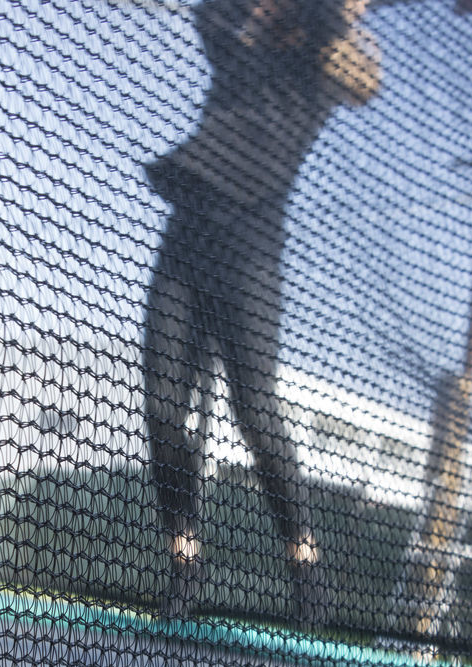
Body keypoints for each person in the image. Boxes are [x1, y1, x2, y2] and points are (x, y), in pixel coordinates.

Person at [142, 0, 381, 618]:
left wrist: (340, 13)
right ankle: (186, 561)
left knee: (255, 407)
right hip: (188, 235)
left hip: (251, 248)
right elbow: (210, 14)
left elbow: (340, 41)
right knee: (165, 410)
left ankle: (305, 565)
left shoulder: (317, 70)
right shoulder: (238, 42)